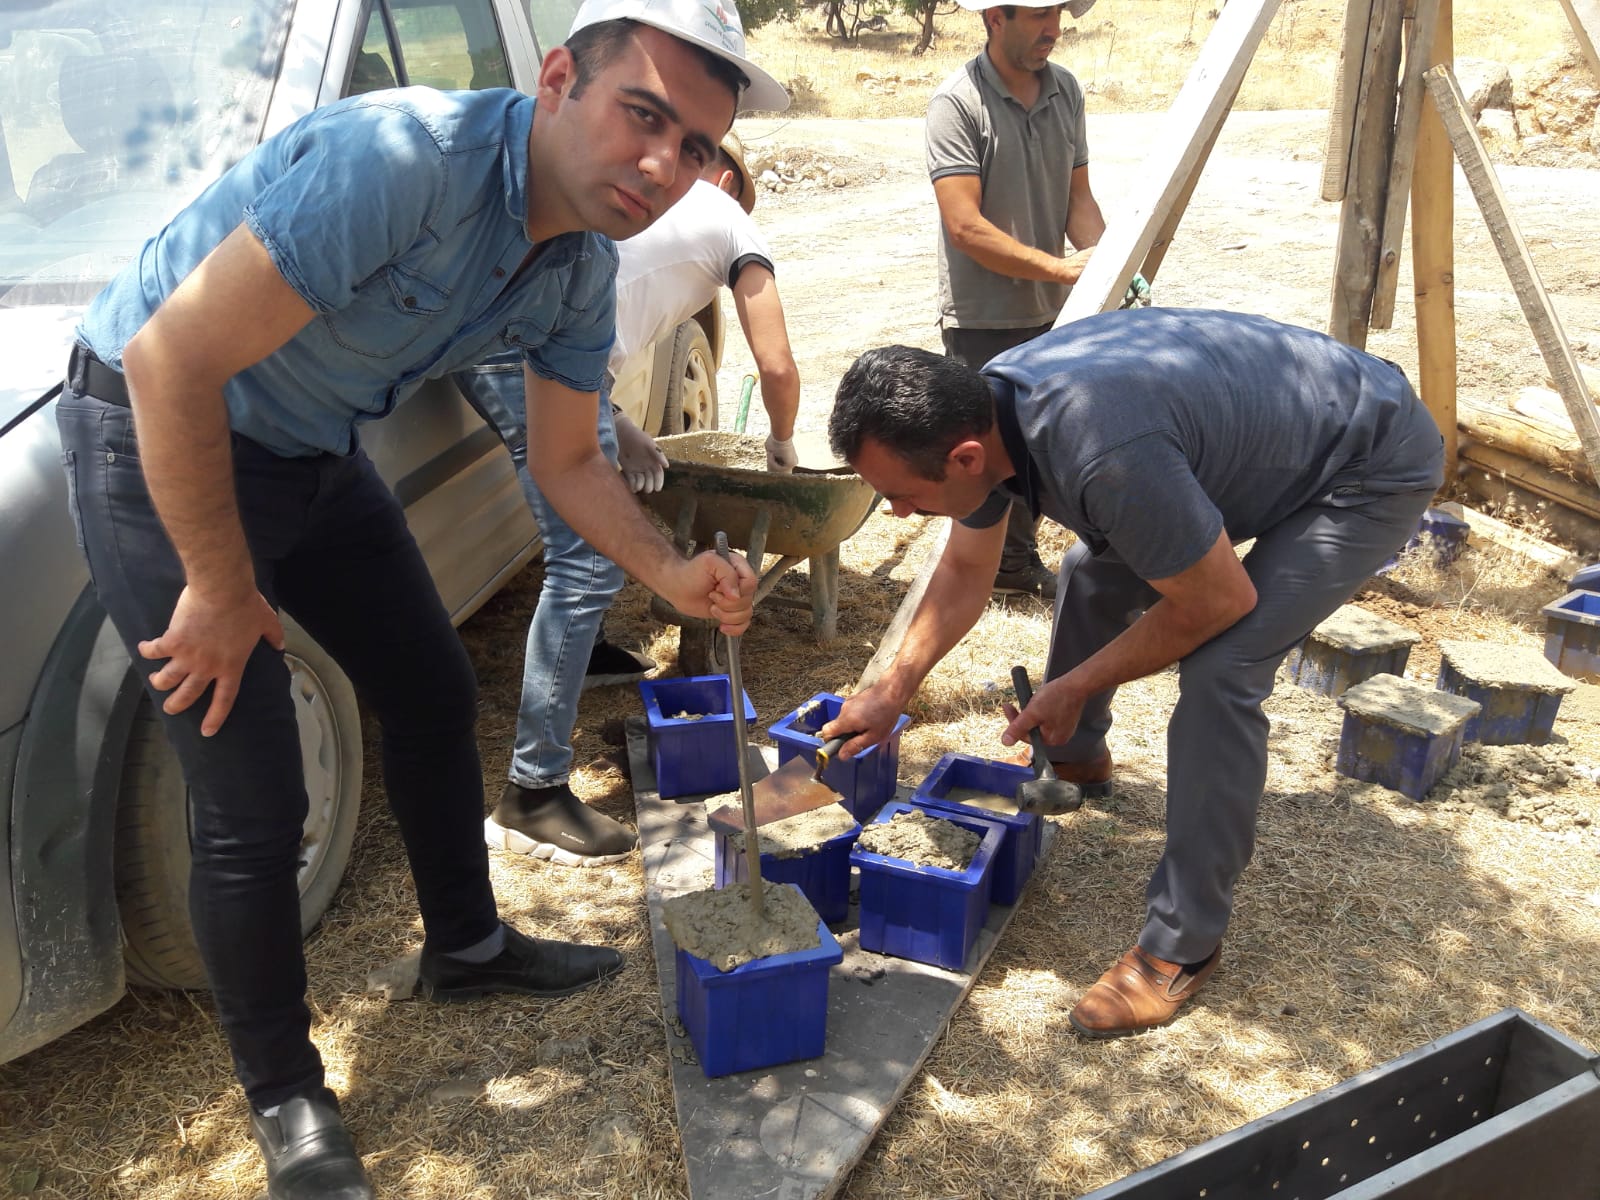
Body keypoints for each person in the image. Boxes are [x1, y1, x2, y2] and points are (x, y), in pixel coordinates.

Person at [54, 0, 787, 1192]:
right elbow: (167, 361)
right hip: (155, 434)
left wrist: (674, 574)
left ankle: (467, 944)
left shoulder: (577, 269)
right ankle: (288, 1099)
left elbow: (567, 463)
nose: (666, 166)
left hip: (307, 448)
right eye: (642, 116)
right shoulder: (400, 163)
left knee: (433, 690)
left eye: (698, 146)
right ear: (558, 80)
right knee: (250, 794)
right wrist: (220, 584)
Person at [822, 308, 1444, 1039]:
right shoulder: (985, 415)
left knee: (1223, 665)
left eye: (902, 494)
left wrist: (1074, 682)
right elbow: (965, 569)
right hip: (1269, 442)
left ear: (963, 458)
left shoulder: (1102, 452)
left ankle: (1181, 947)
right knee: (1093, 569)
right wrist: (892, 690)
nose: (897, 513)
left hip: (1364, 465)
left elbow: (1217, 600)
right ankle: (1076, 755)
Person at [467, 129, 802, 866]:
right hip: (517, 339)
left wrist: (619, 425)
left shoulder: (654, 215)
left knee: (585, 534)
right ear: (724, 174)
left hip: (519, 334)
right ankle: (533, 795)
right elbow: (775, 362)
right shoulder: (725, 213)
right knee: (586, 559)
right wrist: (782, 440)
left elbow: (599, 326)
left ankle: (574, 655)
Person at [926, 0, 1108, 601]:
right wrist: (1059, 268)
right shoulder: (958, 103)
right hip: (984, 314)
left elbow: (1078, 199)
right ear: (993, 19)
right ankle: (991, 568)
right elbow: (964, 226)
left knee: (1042, 437)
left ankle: (1015, 564)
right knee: (980, 449)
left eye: (1056, 11)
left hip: (1054, 310)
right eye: (1036, 15)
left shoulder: (1066, 91)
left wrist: (1109, 264)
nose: (1054, 27)